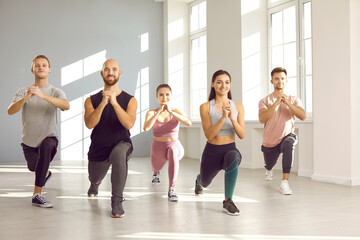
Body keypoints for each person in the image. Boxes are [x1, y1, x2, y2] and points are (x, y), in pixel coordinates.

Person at [7, 55, 70, 208]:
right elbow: (10, 110)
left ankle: (37, 195)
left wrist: (42, 95)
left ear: (49, 70)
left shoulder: (55, 91)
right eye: (37, 65)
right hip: (29, 142)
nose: (40, 67)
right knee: (37, 168)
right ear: (32, 69)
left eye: (44, 65)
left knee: (46, 146)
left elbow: (66, 105)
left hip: (49, 138)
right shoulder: (23, 91)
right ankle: (45, 174)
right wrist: (26, 98)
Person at [84, 59, 137, 218]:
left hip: (122, 143)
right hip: (99, 148)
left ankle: (117, 202)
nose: (110, 72)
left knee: (119, 154)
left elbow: (129, 124)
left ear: (119, 73)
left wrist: (114, 103)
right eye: (107, 69)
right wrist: (103, 103)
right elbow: (89, 124)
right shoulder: (91, 100)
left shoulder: (130, 100)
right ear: (102, 74)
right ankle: (94, 185)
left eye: (114, 69)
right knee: (94, 176)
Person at [194, 70, 245, 216]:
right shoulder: (205, 107)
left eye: (227, 82)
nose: (223, 85)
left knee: (233, 157)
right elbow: (209, 136)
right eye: (219, 82)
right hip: (212, 152)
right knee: (205, 182)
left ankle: (228, 200)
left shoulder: (238, 107)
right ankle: (198, 180)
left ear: (230, 85)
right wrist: (223, 118)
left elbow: (241, 135)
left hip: (230, 149)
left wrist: (233, 119)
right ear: (213, 84)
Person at [258, 67, 306, 195]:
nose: (280, 81)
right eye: (277, 79)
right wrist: (277, 102)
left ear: (286, 81)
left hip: (287, 136)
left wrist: (287, 103)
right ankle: (269, 169)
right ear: (271, 81)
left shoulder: (294, 99)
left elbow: (302, 116)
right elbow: (263, 118)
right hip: (270, 141)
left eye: (282, 79)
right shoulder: (264, 101)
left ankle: (285, 182)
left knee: (289, 144)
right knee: (269, 164)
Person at [143, 84, 191, 202]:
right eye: (161, 95)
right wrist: (158, 112)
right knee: (156, 166)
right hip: (158, 148)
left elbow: (188, 123)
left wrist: (171, 112)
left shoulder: (176, 111)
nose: (164, 97)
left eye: (167, 94)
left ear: (171, 95)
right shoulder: (151, 113)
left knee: (173, 151)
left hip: (174, 145)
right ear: (157, 96)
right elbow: (146, 128)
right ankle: (156, 173)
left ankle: (172, 189)